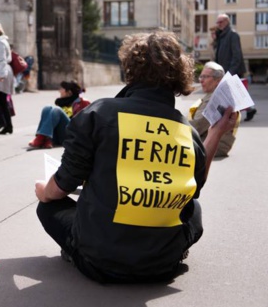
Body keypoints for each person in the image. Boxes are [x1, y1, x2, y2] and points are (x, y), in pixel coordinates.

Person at [35, 31, 238, 283]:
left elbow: (61, 187)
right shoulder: (188, 131)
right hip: (162, 264)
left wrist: (44, 191)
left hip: (98, 260)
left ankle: (76, 250)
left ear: (130, 67)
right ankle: (168, 247)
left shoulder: (98, 114)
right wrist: (216, 132)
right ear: (179, 74)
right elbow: (194, 188)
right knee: (193, 208)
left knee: (48, 206)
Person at [189, 62, 239, 157]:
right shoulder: (216, 95)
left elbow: (198, 126)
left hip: (214, 146)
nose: (201, 80)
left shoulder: (216, 99)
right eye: (201, 77)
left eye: (205, 77)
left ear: (218, 80)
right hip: (214, 143)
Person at [215, 14, 256, 121]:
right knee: (234, 94)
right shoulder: (221, 35)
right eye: (217, 22)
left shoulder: (232, 35)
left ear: (227, 22)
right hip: (225, 70)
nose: (218, 24)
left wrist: (230, 72)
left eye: (221, 22)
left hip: (232, 71)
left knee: (233, 94)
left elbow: (237, 55)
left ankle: (235, 113)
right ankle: (248, 110)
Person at [28, 81, 90, 149]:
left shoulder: (82, 103)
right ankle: (46, 139)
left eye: (62, 89)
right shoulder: (62, 102)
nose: (59, 91)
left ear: (69, 92)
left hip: (72, 136)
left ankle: (41, 138)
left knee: (57, 110)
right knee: (47, 108)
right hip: (59, 134)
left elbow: (84, 125)